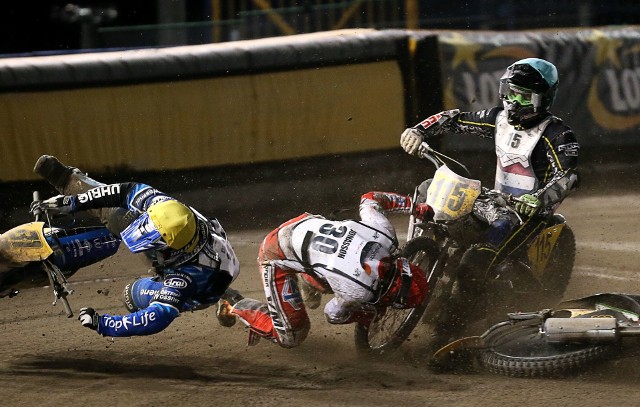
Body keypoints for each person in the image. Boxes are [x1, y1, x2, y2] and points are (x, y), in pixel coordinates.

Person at [399, 58, 580, 339]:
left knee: (474, 265)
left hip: (527, 215)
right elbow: (453, 119)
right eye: (510, 91)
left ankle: (448, 336)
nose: (514, 101)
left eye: (523, 96)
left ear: (543, 99)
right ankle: (419, 259)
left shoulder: (557, 134)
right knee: (427, 188)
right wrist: (418, 130)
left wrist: (539, 199)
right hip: (493, 202)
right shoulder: (498, 119)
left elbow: (568, 175)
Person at [32, 155, 240, 337]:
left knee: (131, 295)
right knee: (117, 217)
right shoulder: (163, 206)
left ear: (172, 250)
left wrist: (103, 324)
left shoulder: (184, 279)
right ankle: (69, 179)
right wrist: (75, 202)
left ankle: (227, 296)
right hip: (204, 248)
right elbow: (125, 191)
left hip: (204, 285)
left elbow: (157, 317)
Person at [220, 191, 430, 348]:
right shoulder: (360, 291)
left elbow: (370, 198)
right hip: (276, 254)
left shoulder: (386, 236)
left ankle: (310, 277)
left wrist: (413, 206)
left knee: (333, 273)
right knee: (292, 336)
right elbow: (332, 314)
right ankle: (236, 304)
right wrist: (366, 314)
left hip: (306, 223)